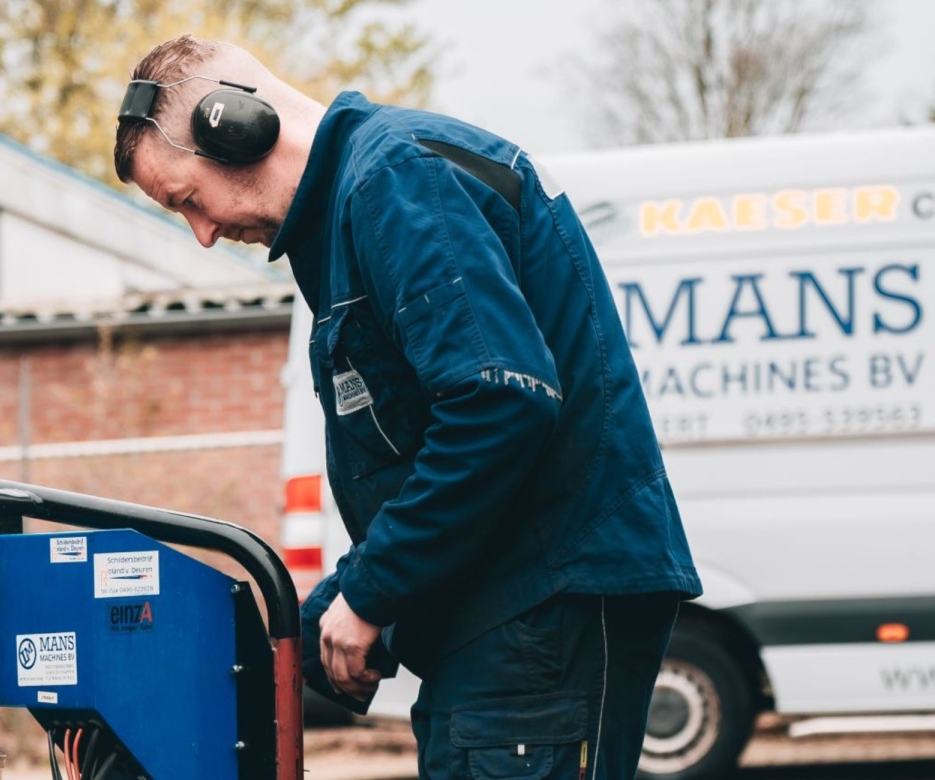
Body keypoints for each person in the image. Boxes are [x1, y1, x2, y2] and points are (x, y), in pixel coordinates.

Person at [114, 35, 703, 780]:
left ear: (234, 128)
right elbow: (427, 448)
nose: (202, 235)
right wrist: (323, 616)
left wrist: (371, 594)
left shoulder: (394, 179)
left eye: (187, 200)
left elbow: (498, 405)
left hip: (541, 606)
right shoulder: (361, 200)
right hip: (512, 605)